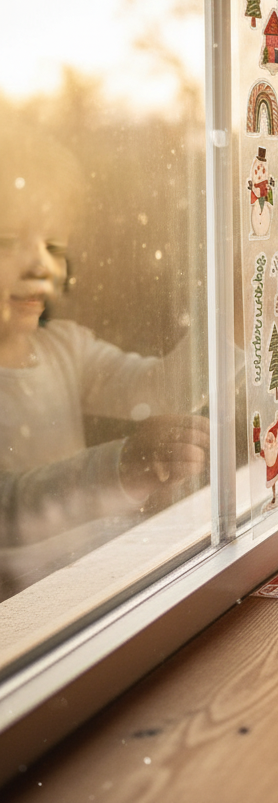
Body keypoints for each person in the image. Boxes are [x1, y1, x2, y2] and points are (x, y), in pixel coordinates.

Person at [0, 129, 209, 600]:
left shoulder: (65, 348)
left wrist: (233, 323)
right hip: (24, 617)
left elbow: (159, 390)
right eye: (9, 239)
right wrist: (120, 467)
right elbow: (6, 510)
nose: (40, 267)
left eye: (53, 247)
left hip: (98, 586)